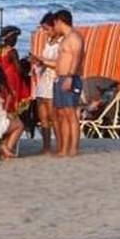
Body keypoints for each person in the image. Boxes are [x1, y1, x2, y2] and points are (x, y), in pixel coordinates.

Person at [51, 9, 84, 157]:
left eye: (55, 23)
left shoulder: (75, 38)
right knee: (62, 113)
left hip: (70, 78)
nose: (54, 27)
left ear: (59, 21)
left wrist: (70, 77)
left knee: (71, 114)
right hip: (61, 78)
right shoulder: (65, 39)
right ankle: (64, 148)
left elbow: (76, 58)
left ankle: (73, 148)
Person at [31, 12, 61, 154]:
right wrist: (38, 62)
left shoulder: (62, 43)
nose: (46, 32)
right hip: (43, 81)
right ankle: (46, 146)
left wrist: (43, 61)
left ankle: (60, 144)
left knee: (53, 116)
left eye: (47, 29)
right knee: (43, 118)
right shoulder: (48, 43)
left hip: (53, 81)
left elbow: (60, 64)